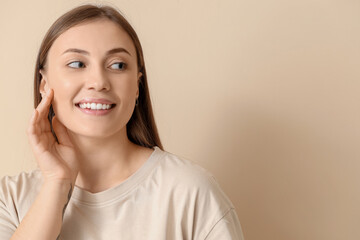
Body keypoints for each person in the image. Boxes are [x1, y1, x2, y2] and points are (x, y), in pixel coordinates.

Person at [0, 4, 244, 240]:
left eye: (117, 65)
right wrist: (57, 184)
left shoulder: (190, 192)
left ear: (137, 86)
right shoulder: (10, 198)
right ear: (44, 84)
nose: (98, 81)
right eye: (77, 64)